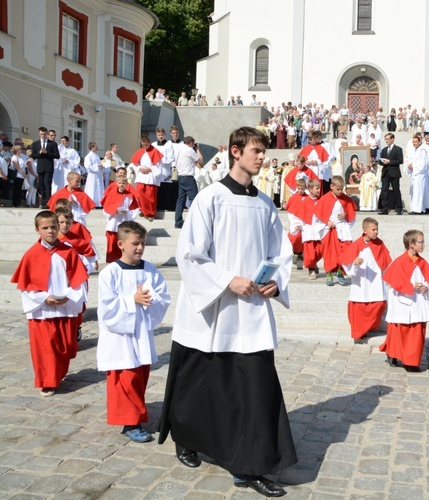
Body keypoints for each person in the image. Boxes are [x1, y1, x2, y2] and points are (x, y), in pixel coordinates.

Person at [157, 127, 297, 494]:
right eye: (256, 151)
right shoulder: (210, 198)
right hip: (213, 309)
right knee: (201, 382)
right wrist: (224, 281)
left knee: (254, 386)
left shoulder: (265, 203)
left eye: (264, 152)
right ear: (235, 152)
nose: (263, 158)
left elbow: (281, 254)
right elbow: (189, 253)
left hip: (251, 308)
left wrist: (276, 281)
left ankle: (247, 465)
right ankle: (187, 436)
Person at [97, 221, 170, 443]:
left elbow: (162, 296)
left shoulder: (150, 269)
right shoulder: (110, 272)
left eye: (143, 244)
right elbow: (107, 307)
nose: (139, 248)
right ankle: (130, 422)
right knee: (125, 378)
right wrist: (132, 300)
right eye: (135, 243)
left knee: (139, 376)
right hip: (119, 337)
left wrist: (149, 300)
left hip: (141, 334)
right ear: (120, 244)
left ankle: (135, 416)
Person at [10, 210, 88, 396]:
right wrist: (44, 298)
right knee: (45, 348)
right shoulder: (31, 255)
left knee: (65, 346)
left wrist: (68, 296)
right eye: (45, 228)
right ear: (37, 230)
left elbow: (80, 280)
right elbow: (26, 286)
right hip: (42, 310)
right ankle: (47, 381)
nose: (50, 231)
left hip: (65, 306)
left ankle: (57, 374)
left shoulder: (68, 252)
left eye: (53, 226)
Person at [379, 229, 429, 371]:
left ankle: (411, 361)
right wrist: (411, 286)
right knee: (400, 331)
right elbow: (392, 283)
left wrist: (426, 288)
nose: (424, 245)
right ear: (411, 244)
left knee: (416, 333)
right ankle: (393, 353)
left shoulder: (423, 262)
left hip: (418, 302)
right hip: (403, 302)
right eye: (421, 242)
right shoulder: (400, 262)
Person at [340, 218, 392, 344]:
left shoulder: (379, 243)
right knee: (359, 308)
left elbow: (386, 261)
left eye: (377, 229)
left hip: (375, 281)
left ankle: (366, 328)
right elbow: (345, 263)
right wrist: (354, 263)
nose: (376, 232)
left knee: (379, 305)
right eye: (373, 229)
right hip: (361, 281)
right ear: (365, 230)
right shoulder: (357, 244)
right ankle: (359, 333)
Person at [313, 175, 356, 286]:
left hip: (342, 229)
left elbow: (351, 213)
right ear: (331, 186)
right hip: (329, 230)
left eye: (342, 189)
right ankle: (329, 274)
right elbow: (318, 215)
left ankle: (340, 272)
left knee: (346, 251)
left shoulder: (345, 199)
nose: (340, 191)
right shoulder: (325, 199)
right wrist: (327, 222)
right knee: (329, 253)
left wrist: (346, 215)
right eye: (338, 189)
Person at [101, 176, 141, 263]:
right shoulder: (111, 194)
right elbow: (106, 209)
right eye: (119, 183)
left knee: (123, 243)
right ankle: (111, 261)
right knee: (112, 243)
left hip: (123, 219)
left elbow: (134, 209)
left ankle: (123, 260)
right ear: (116, 184)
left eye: (123, 183)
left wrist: (127, 213)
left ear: (126, 185)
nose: (121, 185)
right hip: (113, 221)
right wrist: (114, 210)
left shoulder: (129, 196)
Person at [133, 135, 165, 222]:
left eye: (146, 145)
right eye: (143, 145)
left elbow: (159, 166)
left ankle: (150, 214)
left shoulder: (155, 151)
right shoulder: (140, 151)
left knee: (150, 196)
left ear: (149, 143)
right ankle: (142, 210)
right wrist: (139, 168)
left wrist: (150, 169)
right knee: (140, 194)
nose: (144, 147)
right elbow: (135, 164)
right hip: (141, 175)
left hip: (151, 176)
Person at [173, 136, 203, 229]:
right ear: (191, 143)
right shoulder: (190, 150)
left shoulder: (179, 149)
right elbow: (200, 161)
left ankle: (178, 222)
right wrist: (197, 150)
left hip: (180, 177)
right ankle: (195, 221)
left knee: (180, 200)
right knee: (194, 200)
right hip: (188, 178)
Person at [31, 127, 61, 207]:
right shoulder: (35, 143)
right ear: (39, 134)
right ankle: (43, 202)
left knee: (47, 184)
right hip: (40, 167)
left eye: (44, 134)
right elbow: (33, 156)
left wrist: (47, 152)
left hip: (49, 166)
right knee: (41, 185)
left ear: (47, 134)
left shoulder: (52, 143)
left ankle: (48, 203)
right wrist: (39, 153)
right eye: (41, 134)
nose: (43, 135)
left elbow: (57, 156)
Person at [300, 179, 322, 279]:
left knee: (320, 250)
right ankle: (311, 269)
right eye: (316, 188)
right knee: (310, 251)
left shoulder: (320, 201)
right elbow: (299, 215)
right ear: (310, 189)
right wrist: (298, 225)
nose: (318, 190)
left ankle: (314, 263)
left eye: (319, 188)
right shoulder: (304, 201)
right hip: (308, 228)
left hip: (318, 228)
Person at [378, 133, 404, 215]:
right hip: (385, 172)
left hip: (394, 172)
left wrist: (390, 162)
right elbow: (380, 160)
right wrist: (382, 162)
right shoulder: (384, 150)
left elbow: (400, 160)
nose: (386, 141)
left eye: (388, 139)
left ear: (393, 139)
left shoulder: (398, 149)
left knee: (396, 190)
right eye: (385, 139)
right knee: (384, 190)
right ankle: (385, 208)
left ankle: (399, 208)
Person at [406, 134, 429, 214]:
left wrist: (414, 167)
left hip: (419, 174)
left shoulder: (422, 150)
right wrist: (409, 166)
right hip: (414, 174)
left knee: (418, 192)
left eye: (416, 142)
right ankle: (415, 208)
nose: (414, 143)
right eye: (413, 142)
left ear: (419, 142)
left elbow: (423, 164)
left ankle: (418, 209)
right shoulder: (413, 151)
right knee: (414, 192)